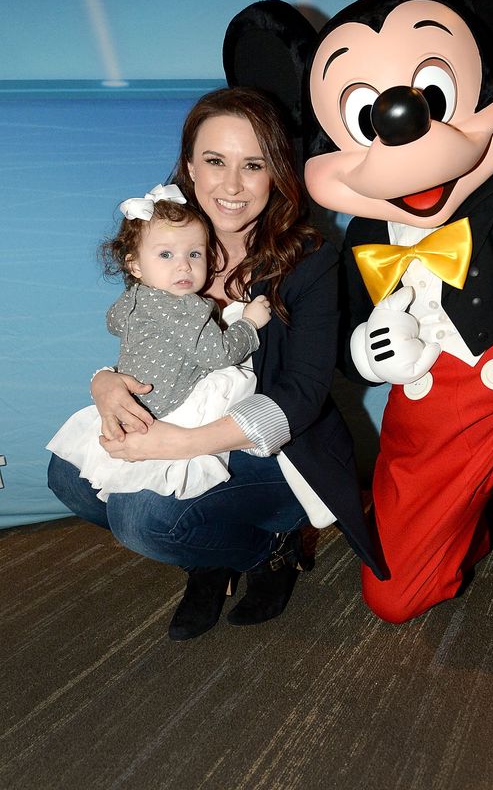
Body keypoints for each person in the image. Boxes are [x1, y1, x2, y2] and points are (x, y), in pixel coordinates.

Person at [48, 87, 381, 641]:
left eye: (253, 165)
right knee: (70, 474)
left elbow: (301, 396)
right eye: (215, 161)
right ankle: (210, 555)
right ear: (188, 167)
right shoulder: (169, 241)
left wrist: (177, 443)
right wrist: (106, 384)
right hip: (181, 418)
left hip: (277, 448)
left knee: (143, 519)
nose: (232, 185)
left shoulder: (312, 260)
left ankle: (268, 550)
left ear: (277, 174)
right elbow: (142, 341)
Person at [47, 184, 271, 502]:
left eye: (194, 253)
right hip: (171, 410)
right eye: (166, 254)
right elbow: (218, 354)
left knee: (107, 487)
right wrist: (249, 323)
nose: (183, 265)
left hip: (139, 407)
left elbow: (114, 323)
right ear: (135, 265)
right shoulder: (186, 305)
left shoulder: (134, 297)